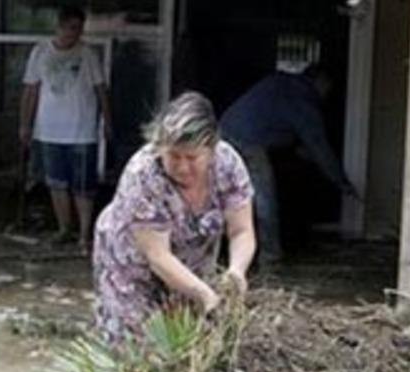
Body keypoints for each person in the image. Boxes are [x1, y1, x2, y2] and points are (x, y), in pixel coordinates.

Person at [93, 92, 256, 344]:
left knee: (189, 335)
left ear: (211, 149)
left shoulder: (228, 164)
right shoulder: (143, 175)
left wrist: (236, 271)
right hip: (133, 265)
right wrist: (205, 294)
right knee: (137, 344)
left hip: (193, 261)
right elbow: (157, 257)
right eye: (173, 156)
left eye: (192, 158)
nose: (182, 167)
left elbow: (241, 231)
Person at [218, 65, 356, 265]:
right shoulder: (303, 100)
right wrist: (341, 182)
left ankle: (214, 250)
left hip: (224, 130)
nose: (328, 93)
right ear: (320, 82)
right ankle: (270, 255)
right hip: (248, 143)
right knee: (265, 199)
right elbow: (319, 146)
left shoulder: (279, 82)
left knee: (222, 195)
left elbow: (282, 130)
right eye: (328, 87)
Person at [19, 5, 112, 253]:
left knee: (83, 185)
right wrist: (25, 124)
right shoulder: (40, 52)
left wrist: (106, 122)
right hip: (48, 129)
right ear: (59, 26)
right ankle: (64, 229)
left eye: (79, 29)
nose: (75, 33)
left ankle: (83, 234)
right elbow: (30, 90)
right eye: (71, 28)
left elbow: (101, 90)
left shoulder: (89, 55)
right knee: (56, 182)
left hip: (81, 131)